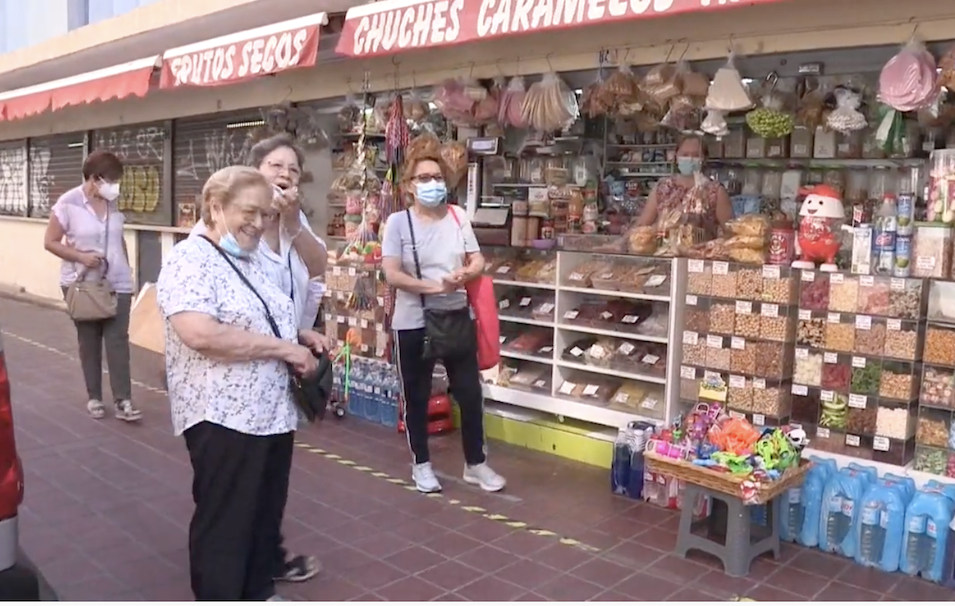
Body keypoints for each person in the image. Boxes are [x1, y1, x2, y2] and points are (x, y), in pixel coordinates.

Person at [157, 166, 327, 601]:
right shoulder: (189, 260)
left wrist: (298, 335)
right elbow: (200, 333)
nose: (258, 223)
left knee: (261, 515)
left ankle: (256, 591)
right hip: (224, 417)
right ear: (216, 208)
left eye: (266, 215)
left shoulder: (247, 260)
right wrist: (286, 351)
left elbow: (258, 317)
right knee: (227, 522)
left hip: (269, 416)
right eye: (249, 212)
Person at [381, 152, 506, 494]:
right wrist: (433, 287)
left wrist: (467, 272)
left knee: (469, 392)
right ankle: (421, 464)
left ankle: (476, 463)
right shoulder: (398, 223)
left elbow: (477, 257)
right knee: (417, 395)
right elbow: (391, 273)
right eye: (423, 178)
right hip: (413, 321)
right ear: (409, 185)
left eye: (437, 177)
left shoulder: (457, 216)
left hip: (455, 316)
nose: (432, 184)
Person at [190, 133, 327, 330]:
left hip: (290, 344)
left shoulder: (296, 217)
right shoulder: (225, 219)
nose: (285, 174)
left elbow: (320, 268)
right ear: (255, 172)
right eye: (276, 166)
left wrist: (294, 224)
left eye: (293, 170)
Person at [43, 150, 141, 422]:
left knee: (118, 341)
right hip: (83, 283)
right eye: (111, 180)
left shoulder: (113, 204)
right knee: (89, 341)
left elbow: (118, 239)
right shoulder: (68, 203)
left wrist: (127, 270)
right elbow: (50, 242)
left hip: (116, 281)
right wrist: (81, 257)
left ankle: (124, 401)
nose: (115, 186)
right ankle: (95, 397)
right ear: (96, 179)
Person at [635, 134, 734, 240]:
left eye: (696, 155)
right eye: (685, 154)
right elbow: (643, 225)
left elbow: (730, 231)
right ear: (676, 157)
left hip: (701, 254)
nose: (690, 159)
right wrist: (622, 242)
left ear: (704, 159)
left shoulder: (715, 192)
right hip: (665, 254)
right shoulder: (662, 188)